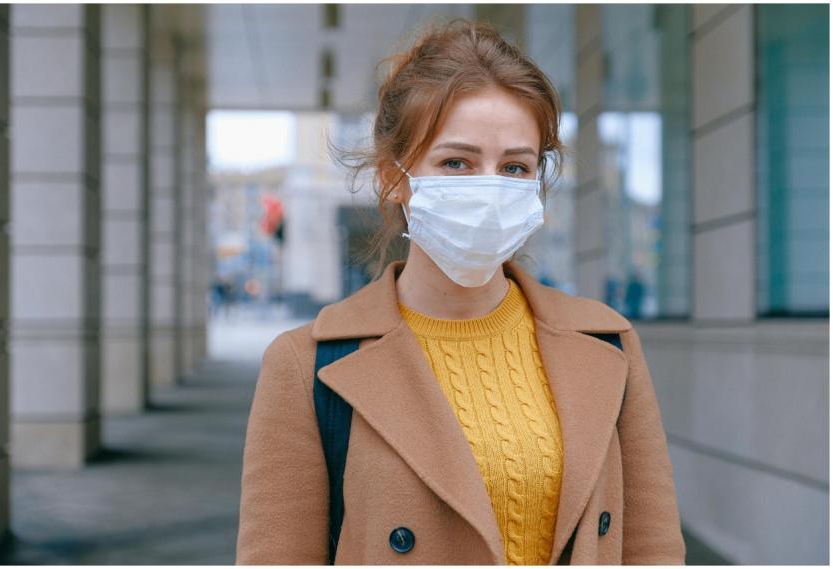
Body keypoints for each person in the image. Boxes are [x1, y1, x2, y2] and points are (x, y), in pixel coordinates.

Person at [236, 19, 685, 566]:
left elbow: (654, 550)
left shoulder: (608, 343)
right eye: (457, 163)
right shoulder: (306, 365)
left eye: (514, 167)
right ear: (393, 176)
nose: (489, 189)